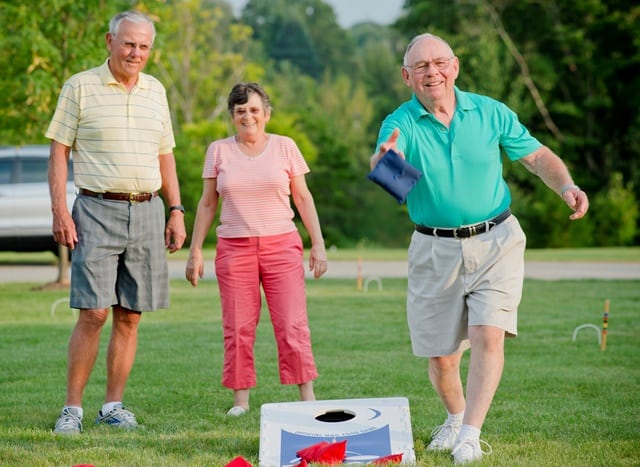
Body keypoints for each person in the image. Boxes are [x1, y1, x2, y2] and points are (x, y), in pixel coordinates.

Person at [370, 33, 589, 464]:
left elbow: (536, 157)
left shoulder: (490, 112)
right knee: (442, 357)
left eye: (439, 63)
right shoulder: (401, 122)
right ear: (406, 76)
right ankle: (454, 418)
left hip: (497, 241)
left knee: (489, 334)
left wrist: (566, 185)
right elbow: (392, 179)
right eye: (421, 67)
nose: (431, 72)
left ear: (454, 67)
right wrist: (386, 160)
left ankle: (471, 434)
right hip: (434, 247)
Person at [46, 10, 186, 434]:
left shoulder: (156, 90)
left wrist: (176, 209)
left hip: (147, 209)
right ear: (110, 41)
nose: (136, 53)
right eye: (128, 44)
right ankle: (72, 410)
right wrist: (59, 210)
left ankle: (113, 406)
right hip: (95, 209)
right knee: (93, 313)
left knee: (130, 315)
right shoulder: (80, 87)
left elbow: (165, 154)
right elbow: (58, 151)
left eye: (144, 46)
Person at [185, 82, 327, 416]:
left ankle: (307, 396)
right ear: (232, 117)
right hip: (234, 250)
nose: (247, 116)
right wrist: (195, 250)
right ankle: (241, 401)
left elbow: (303, 198)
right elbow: (207, 205)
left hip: (282, 247)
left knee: (292, 324)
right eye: (240, 111)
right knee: (237, 326)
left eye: (253, 109)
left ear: (266, 113)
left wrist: (317, 243)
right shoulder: (218, 151)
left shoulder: (285, 147)